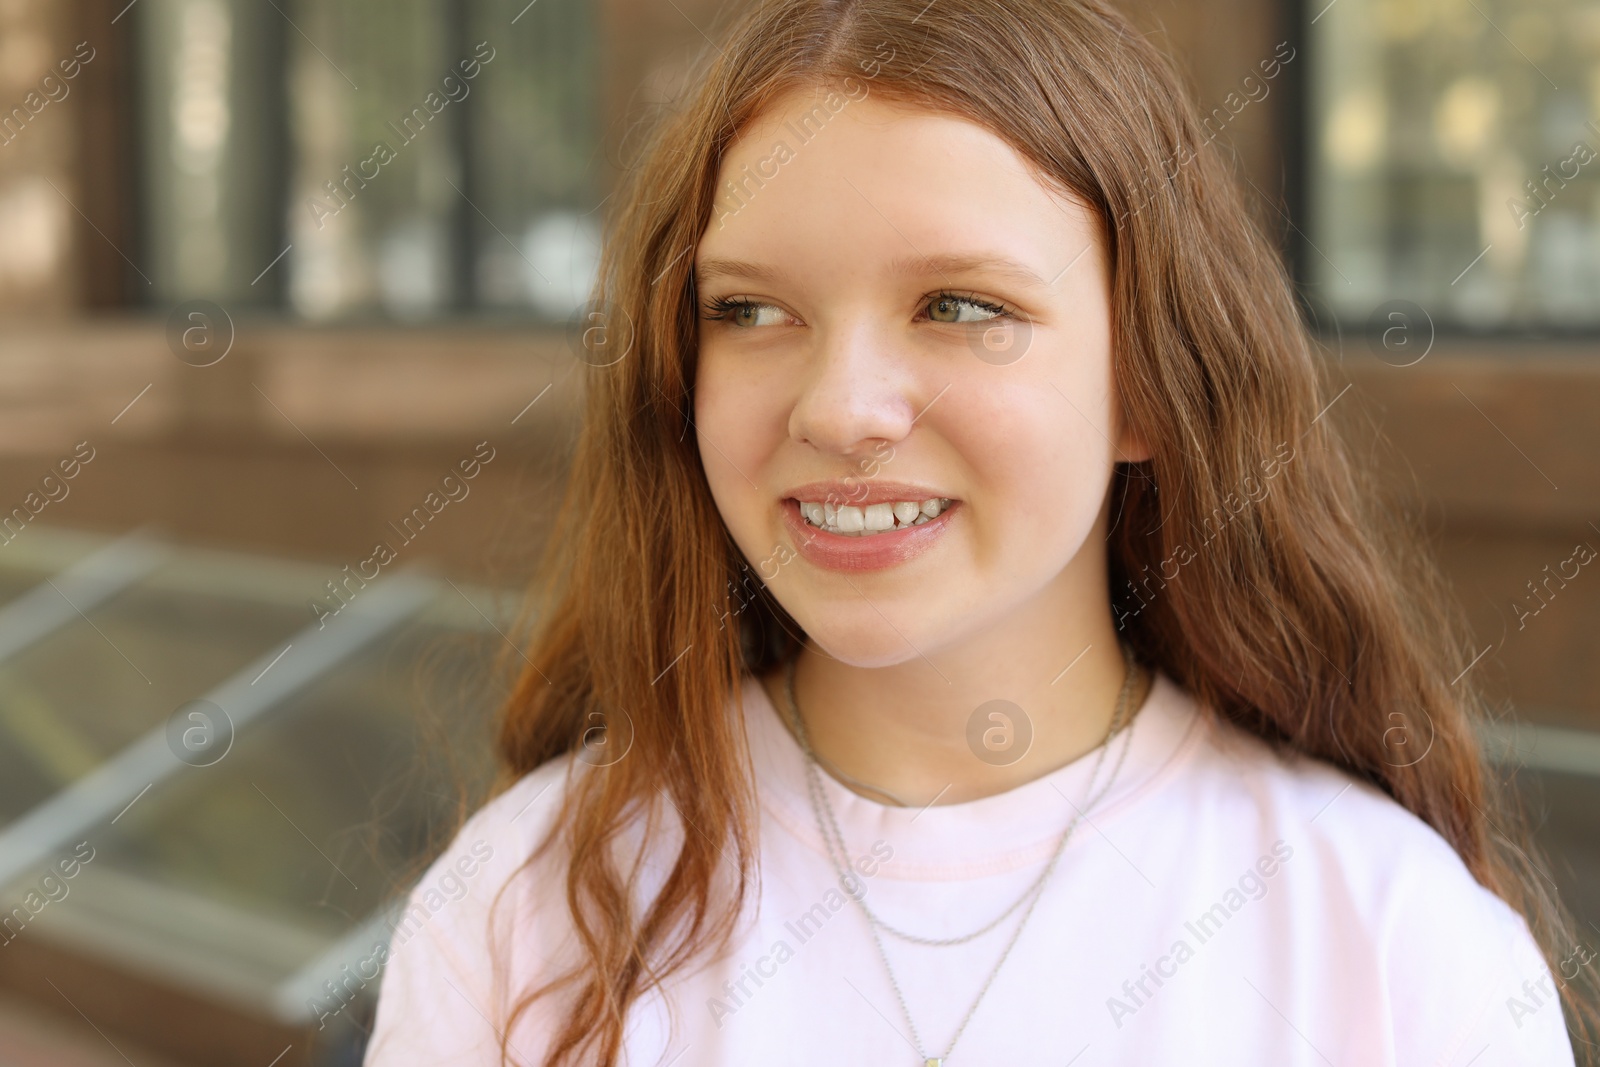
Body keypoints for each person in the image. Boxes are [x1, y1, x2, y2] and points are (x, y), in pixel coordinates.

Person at [363, 0, 1597, 1063]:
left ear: (1151, 383)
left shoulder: (1387, 939)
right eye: (749, 308)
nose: (840, 407)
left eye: (959, 305)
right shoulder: (522, 905)